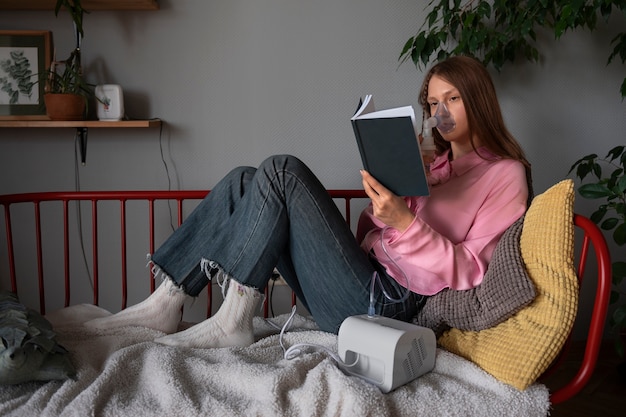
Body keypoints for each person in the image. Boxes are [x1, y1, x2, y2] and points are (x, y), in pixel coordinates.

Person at [86, 56, 531, 349]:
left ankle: (232, 321)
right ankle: (167, 300)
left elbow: (472, 272)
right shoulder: (434, 167)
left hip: (388, 304)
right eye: (433, 102)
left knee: (281, 170)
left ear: (478, 100)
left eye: (452, 99)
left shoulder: (504, 174)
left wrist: (407, 223)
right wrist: (387, 210)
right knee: (247, 179)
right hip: (359, 281)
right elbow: (382, 238)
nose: (441, 112)